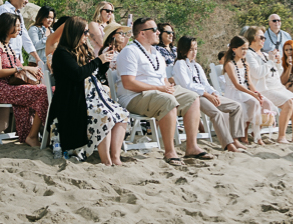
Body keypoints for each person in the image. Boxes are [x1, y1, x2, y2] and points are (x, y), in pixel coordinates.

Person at [115, 18, 213, 164]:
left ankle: (191, 147)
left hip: (158, 92)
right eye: (154, 30)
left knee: (192, 97)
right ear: (142, 33)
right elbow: (128, 83)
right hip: (135, 96)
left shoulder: (156, 53)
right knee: (168, 101)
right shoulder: (130, 51)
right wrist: (159, 88)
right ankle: (170, 151)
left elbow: (163, 79)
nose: (158, 32)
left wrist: (167, 86)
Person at [46, 17, 129, 165]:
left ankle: (115, 157)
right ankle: (106, 160)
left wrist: (105, 61)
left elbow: (95, 72)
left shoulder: (83, 50)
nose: (87, 36)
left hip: (91, 96)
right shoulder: (61, 53)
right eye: (85, 32)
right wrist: (98, 60)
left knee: (122, 115)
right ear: (75, 33)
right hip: (72, 99)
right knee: (105, 116)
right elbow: (78, 74)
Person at [0, 13, 49, 147]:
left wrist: (33, 71)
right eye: (17, 26)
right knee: (43, 92)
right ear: (7, 26)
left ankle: (35, 133)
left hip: (11, 86)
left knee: (47, 90)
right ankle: (32, 136)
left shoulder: (7, 45)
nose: (20, 29)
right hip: (1, 89)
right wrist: (22, 68)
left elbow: (18, 67)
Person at [172, 36, 247, 153]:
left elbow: (205, 83)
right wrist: (207, 95)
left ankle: (235, 138)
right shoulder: (180, 64)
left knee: (236, 106)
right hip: (193, 97)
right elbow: (187, 86)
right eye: (191, 49)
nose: (194, 52)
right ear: (183, 50)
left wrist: (213, 93)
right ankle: (228, 144)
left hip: (206, 94)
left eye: (195, 49)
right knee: (216, 113)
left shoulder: (196, 65)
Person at [244, 26, 293, 144]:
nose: (264, 39)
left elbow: (277, 73)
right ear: (253, 38)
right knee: (288, 103)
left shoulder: (265, 55)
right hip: (263, 89)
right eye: (261, 37)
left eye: (264, 37)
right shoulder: (249, 54)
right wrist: (271, 61)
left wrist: (277, 63)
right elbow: (256, 73)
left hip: (276, 86)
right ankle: (281, 136)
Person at [221, 36, 272, 145]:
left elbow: (249, 82)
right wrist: (252, 94)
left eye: (247, 48)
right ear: (234, 49)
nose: (245, 51)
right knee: (253, 102)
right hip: (234, 92)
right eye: (242, 48)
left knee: (258, 101)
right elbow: (236, 84)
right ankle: (244, 134)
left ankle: (251, 132)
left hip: (244, 91)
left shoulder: (245, 63)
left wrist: (256, 93)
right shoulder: (229, 64)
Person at [0, 0, 41, 68]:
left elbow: (24, 36)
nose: (27, 2)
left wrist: (37, 58)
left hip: (16, 59)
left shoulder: (18, 13)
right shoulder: (3, 10)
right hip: (6, 58)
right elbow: (2, 35)